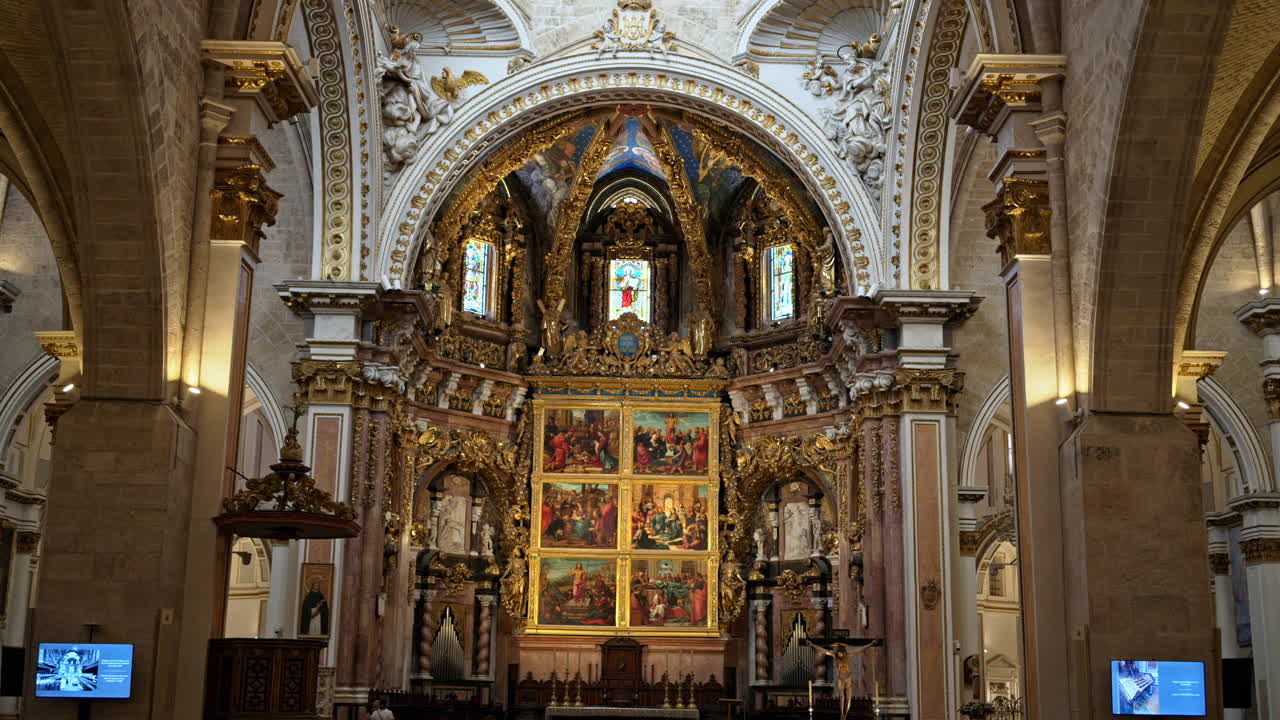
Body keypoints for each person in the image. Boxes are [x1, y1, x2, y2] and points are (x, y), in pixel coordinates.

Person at [805, 639, 880, 720]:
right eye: (838, 652)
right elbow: (823, 651)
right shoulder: (835, 656)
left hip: (848, 679)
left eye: (840, 652)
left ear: (843, 651)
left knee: (848, 698)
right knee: (842, 698)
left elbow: (861, 649)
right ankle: (842, 714)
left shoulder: (849, 655)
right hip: (840, 679)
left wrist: (871, 644)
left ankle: (845, 714)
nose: (839, 654)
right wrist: (812, 645)